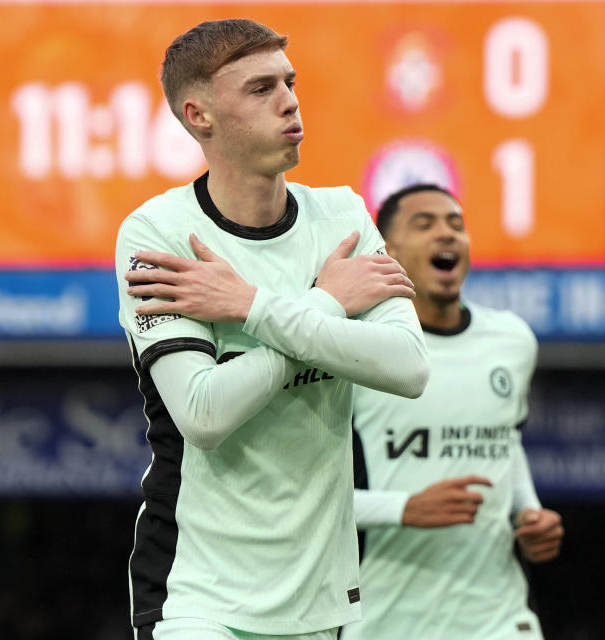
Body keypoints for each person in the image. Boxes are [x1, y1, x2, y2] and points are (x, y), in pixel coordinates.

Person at [115, 19, 429, 640]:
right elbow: (204, 414)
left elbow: (408, 367)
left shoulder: (341, 214)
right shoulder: (159, 234)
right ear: (198, 114)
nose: (289, 101)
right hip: (194, 593)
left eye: (289, 83)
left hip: (319, 597)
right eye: (260, 89)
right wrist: (324, 304)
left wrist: (253, 307)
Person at [342, 184, 564, 640]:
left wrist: (530, 513)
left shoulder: (512, 339)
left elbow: (507, 442)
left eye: (456, 224)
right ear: (389, 250)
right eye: (425, 224)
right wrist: (405, 508)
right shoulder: (353, 348)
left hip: (500, 618)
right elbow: (309, 501)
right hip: (386, 620)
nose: (446, 234)